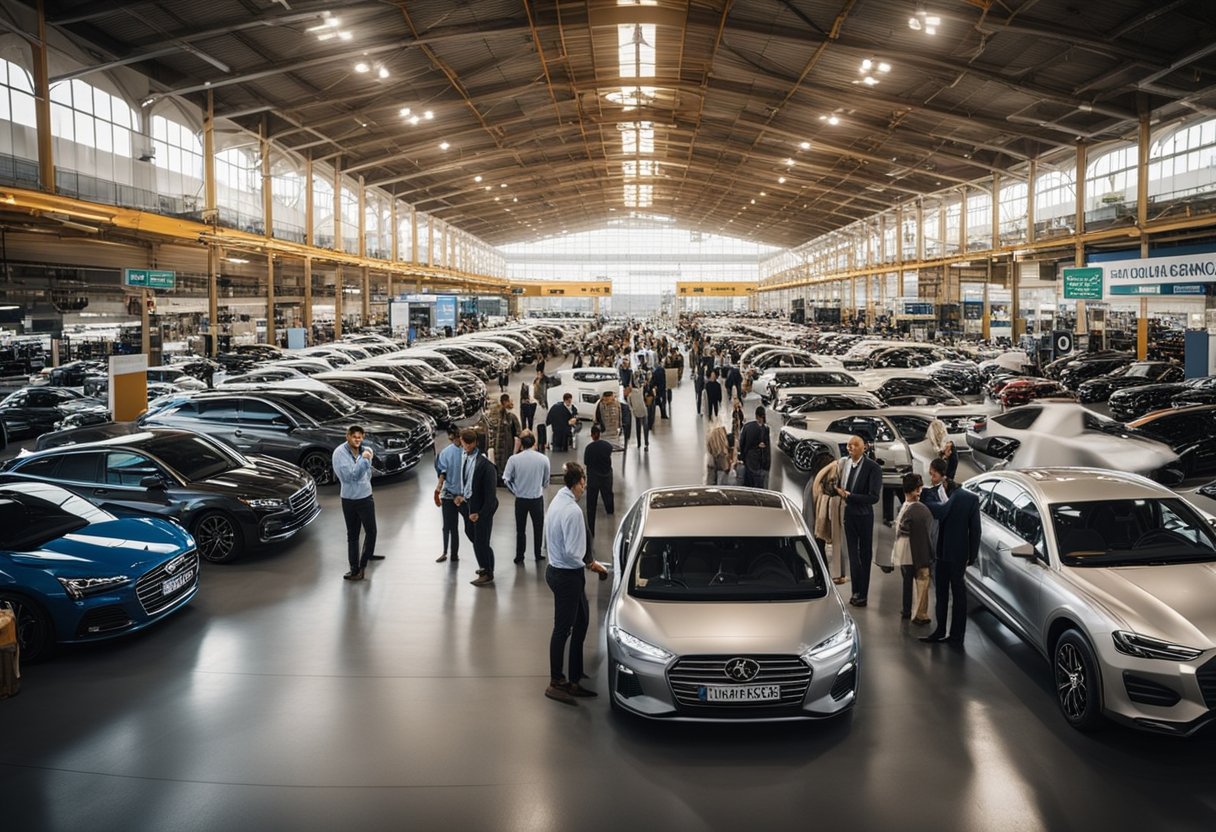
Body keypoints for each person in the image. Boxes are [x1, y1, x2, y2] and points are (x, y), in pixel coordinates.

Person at [543, 462, 607, 705]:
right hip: (567, 576)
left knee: (581, 622)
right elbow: (573, 552)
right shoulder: (572, 512)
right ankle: (556, 682)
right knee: (562, 629)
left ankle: (575, 675)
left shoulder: (559, 499)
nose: (585, 485)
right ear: (578, 482)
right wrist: (592, 565)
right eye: (584, 481)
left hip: (559, 572)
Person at [920, 481, 983, 645]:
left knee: (944, 594)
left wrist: (926, 497)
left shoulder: (952, 498)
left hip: (944, 553)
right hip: (959, 554)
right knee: (957, 595)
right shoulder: (971, 499)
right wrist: (972, 555)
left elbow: (940, 512)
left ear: (946, 483)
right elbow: (975, 530)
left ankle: (942, 631)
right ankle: (956, 635)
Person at [836, 435, 882, 607]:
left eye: (855, 445)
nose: (851, 448)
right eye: (849, 445)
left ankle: (863, 594)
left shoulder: (873, 468)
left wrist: (850, 496)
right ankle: (856, 591)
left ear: (864, 448)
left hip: (864, 516)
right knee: (853, 556)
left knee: (864, 555)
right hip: (849, 514)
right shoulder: (846, 463)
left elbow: (873, 497)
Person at [332, 425, 379, 582]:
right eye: (354, 437)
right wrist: (365, 459)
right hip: (349, 500)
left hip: (365, 497)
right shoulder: (339, 454)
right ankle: (355, 569)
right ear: (347, 436)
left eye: (360, 437)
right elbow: (350, 477)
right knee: (353, 535)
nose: (357, 440)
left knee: (371, 531)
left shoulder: (365, 449)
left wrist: (365, 460)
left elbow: (367, 474)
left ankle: (365, 560)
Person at [457, 428, 499, 588]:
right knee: (474, 537)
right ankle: (487, 565)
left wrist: (480, 514)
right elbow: (468, 482)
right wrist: (462, 498)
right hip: (468, 505)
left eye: (469, 443)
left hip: (481, 510)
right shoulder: (465, 458)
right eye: (464, 443)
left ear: (475, 443)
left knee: (480, 541)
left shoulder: (486, 466)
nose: (466, 446)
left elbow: (490, 497)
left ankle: (486, 572)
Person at [502, 430, 550, 564]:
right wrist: (540, 485)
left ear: (521, 445)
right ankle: (537, 553)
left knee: (520, 529)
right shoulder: (543, 459)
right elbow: (546, 480)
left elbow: (506, 478)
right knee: (538, 527)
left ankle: (519, 555)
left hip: (521, 499)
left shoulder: (514, 459)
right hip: (536, 498)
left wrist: (515, 490)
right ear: (534, 443)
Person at [894, 473, 934, 625]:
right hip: (918, 551)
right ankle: (920, 614)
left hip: (903, 550)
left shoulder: (904, 508)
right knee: (922, 581)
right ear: (918, 490)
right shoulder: (922, 510)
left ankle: (906, 610)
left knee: (907, 581)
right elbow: (927, 534)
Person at [803, 459, 847, 585]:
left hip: (818, 522)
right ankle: (827, 574)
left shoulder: (816, 483)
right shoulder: (815, 484)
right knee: (823, 547)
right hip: (817, 523)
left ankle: (827, 574)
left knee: (824, 547)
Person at [433, 427, 464, 564]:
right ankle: (447, 552)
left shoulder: (466, 452)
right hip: (451, 494)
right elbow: (443, 474)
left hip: (462, 495)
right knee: (449, 526)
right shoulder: (447, 453)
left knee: (453, 527)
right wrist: (438, 490)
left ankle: (453, 553)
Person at [582, 424, 614, 537]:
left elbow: (586, 463)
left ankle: (591, 531)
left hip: (593, 479)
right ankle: (610, 511)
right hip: (606, 477)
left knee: (591, 505)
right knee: (608, 495)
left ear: (592, 435)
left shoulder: (589, 448)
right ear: (599, 434)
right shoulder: (607, 446)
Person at [737, 405, 772, 489]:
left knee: (748, 484)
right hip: (760, 461)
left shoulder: (747, 426)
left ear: (756, 415)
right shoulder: (766, 429)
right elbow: (767, 448)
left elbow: (741, 443)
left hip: (749, 459)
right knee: (760, 486)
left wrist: (742, 456)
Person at [488, 393, 521, 475]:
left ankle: (499, 476)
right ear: (505, 402)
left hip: (496, 446)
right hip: (507, 446)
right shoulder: (511, 416)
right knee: (506, 461)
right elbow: (518, 432)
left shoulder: (493, 415)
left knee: (497, 462)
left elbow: (489, 430)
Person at [705, 419, 732, 485]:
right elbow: (725, 468)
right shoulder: (723, 452)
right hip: (721, 473)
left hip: (712, 469)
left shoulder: (712, 438)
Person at [625, 383, 649, 450]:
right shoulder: (641, 390)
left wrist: (633, 411)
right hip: (644, 411)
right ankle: (646, 443)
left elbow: (629, 405)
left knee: (638, 427)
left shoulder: (629, 395)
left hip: (636, 411)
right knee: (645, 427)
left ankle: (639, 443)